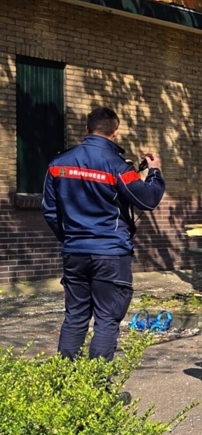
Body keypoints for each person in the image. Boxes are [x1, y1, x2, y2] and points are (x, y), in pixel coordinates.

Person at [43, 106, 165, 366]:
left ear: (86, 129)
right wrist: (154, 171)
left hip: (74, 250)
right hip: (110, 253)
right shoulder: (118, 166)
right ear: (115, 133)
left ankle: (64, 384)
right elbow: (148, 199)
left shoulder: (58, 164)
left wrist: (69, 238)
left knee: (75, 316)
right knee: (107, 319)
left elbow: (50, 211)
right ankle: (98, 388)